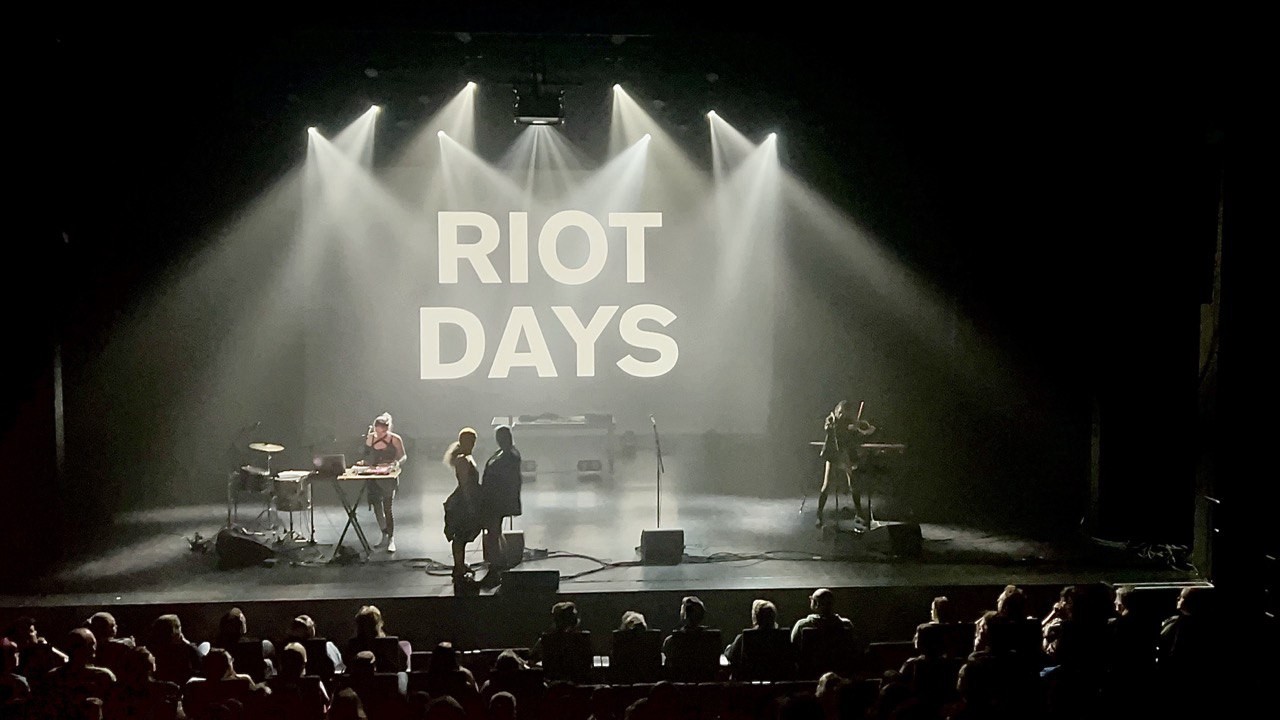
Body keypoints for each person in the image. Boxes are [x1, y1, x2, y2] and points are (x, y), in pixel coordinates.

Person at [816, 400, 876, 528]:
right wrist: (838, 425)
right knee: (827, 485)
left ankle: (859, 514)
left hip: (844, 455)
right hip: (833, 455)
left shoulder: (849, 421)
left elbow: (866, 428)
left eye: (845, 413)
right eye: (841, 412)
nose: (842, 415)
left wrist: (861, 428)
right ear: (837, 411)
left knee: (853, 483)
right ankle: (819, 515)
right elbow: (828, 428)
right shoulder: (831, 420)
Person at [478, 425, 523, 587]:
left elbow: (507, 481)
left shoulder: (510, 456)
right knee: (495, 532)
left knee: (493, 533)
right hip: (495, 500)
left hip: (498, 501)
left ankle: (496, 568)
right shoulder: (503, 454)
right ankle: (500, 564)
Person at [356, 412, 406, 553]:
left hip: (388, 475)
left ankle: (391, 538)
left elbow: (403, 456)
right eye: (378, 430)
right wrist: (364, 462)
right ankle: (384, 534)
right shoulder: (371, 438)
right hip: (373, 474)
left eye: (383, 430)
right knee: (376, 505)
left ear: (387, 428)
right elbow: (366, 455)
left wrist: (397, 463)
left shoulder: (395, 439)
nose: (380, 433)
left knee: (387, 507)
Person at [443, 428, 483, 584]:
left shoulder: (467, 458)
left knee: (464, 534)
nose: (471, 444)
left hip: (469, 498)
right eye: (469, 441)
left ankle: (460, 564)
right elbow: (465, 484)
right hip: (464, 501)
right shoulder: (462, 460)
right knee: (460, 535)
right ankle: (458, 566)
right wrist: (470, 504)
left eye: (473, 441)